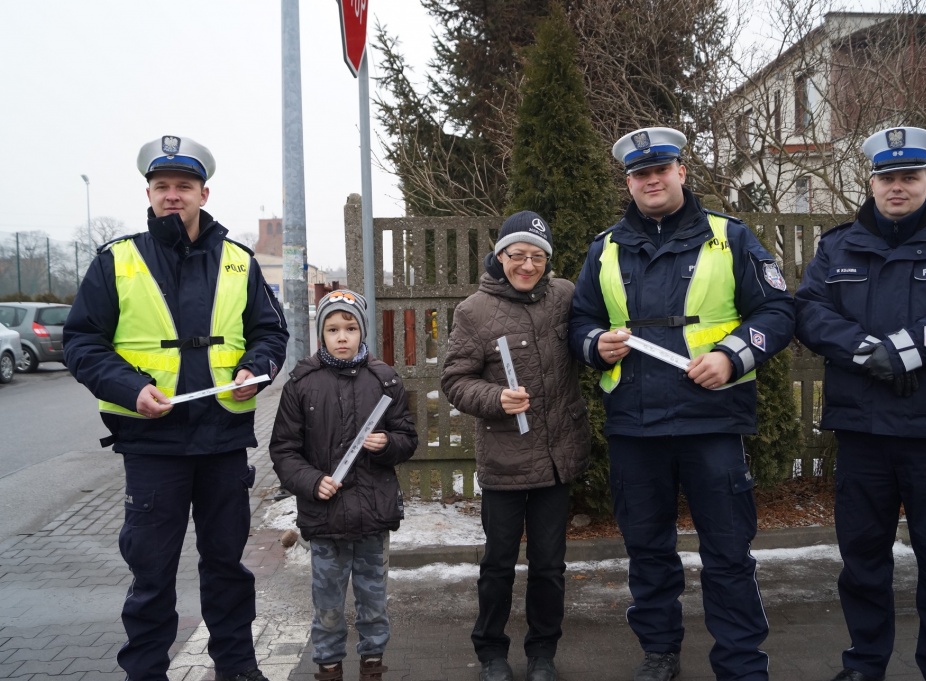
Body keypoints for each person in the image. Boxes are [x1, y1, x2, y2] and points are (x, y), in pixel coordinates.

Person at [569, 127, 795, 681]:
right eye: (640, 174)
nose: (651, 180)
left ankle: (741, 664)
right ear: (629, 181)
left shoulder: (731, 237)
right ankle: (660, 653)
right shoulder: (606, 247)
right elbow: (579, 321)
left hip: (712, 420)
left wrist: (734, 356)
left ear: (681, 173)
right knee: (647, 551)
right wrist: (595, 345)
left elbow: (779, 312)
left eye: (661, 170)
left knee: (727, 552)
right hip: (635, 424)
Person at [63, 135, 289, 681]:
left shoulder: (238, 261)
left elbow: (270, 332)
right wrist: (130, 388)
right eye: (162, 186)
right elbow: (82, 343)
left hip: (223, 444)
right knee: (151, 573)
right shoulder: (117, 260)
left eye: (183, 186)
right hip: (151, 444)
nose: (172, 195)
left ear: (203, 193)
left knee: (227, 570)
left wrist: (253, 372)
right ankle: (144, 672)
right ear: (149, 192)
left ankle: (238, 669)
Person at [794, 127, 926, 681]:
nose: (897, 187)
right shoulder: (836, 246)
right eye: (887, 177)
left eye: (909, 177)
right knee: (862, 563)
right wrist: (866, 352)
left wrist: (906, 350)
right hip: (862, 432)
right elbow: (810, 312)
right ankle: (865, 664)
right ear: (870, 181)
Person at [441, 211, 591, 681]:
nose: (527, 265)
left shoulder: (565, 297)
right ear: (500, 255)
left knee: (549, 566)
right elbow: (455, 380)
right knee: (498, 563)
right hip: (506, 460)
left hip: (555, 459)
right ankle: (491, 652)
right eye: (518, 255)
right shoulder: (473, 312)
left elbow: (589, 339)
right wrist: (495, 397)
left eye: (537, 257)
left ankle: (543, 652)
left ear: (548, 261)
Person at [270, 289, 417, 681]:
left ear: (361, 331)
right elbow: (284, 450)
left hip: (374, 515)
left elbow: (407, 436)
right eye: (332, 328)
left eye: (350, 328)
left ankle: (373, 667)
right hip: (325, 519)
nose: (341, 336)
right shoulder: (302, 383)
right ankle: (329, 668)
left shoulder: (384, 379)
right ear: (322, 333)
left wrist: (388, 444)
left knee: (374, 603)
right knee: (328, 606)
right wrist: (312, 481)